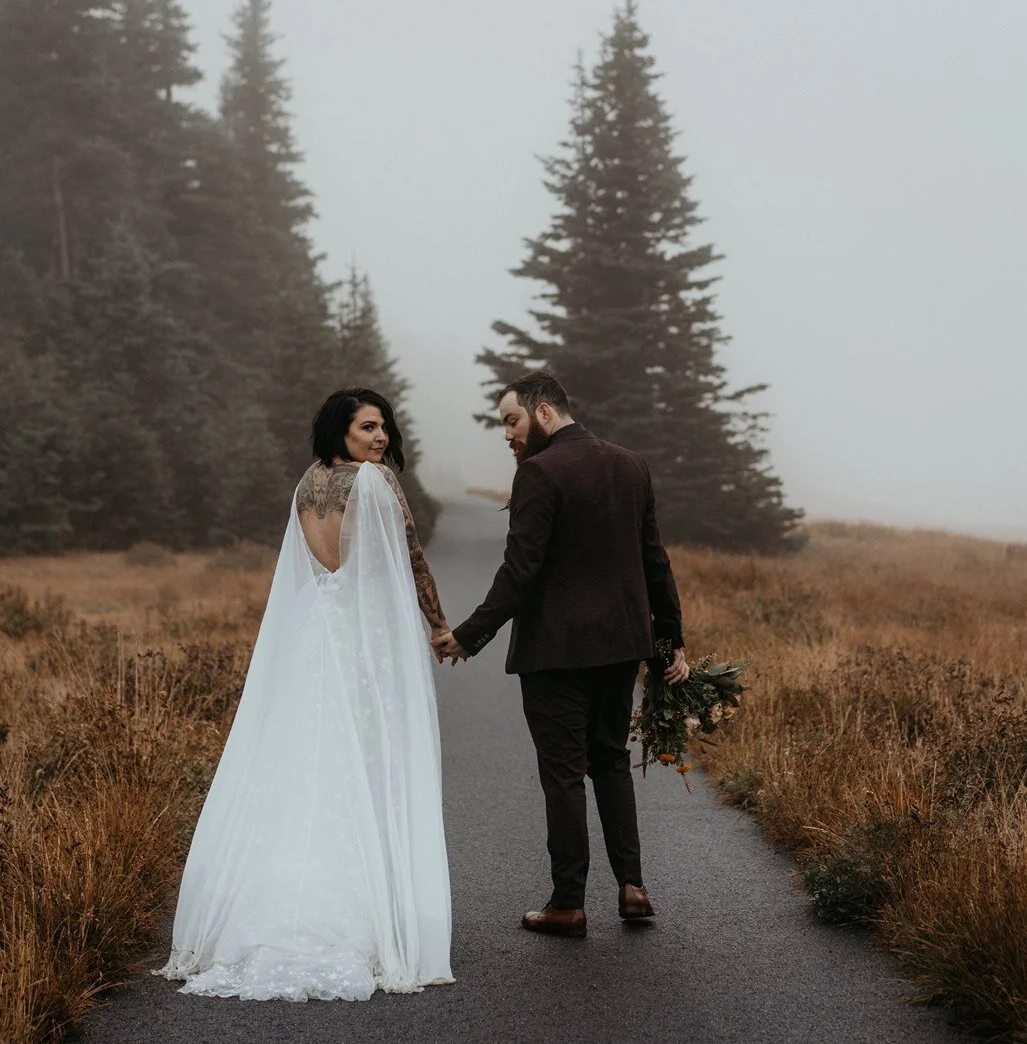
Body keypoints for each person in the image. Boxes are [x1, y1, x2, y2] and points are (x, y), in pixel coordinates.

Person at [159, 389, 455, 1000]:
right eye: (367, 427)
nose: (380, 437)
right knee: (365, 760)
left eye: (383, 426)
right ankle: (365, 909)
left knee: (304, 762)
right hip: (362, 636)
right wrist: (439, 625)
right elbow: (411, 557)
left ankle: (276, 904)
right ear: (340, 431)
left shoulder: (306, 483)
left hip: (313, 634)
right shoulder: (375, 482)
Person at [433, 371, 687, 938]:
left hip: (556, 653)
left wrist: (469, 635)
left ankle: (568, 904)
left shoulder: (539, 473)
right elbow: (654, 559)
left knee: (564, 773)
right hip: (620, 648)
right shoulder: (632, 465)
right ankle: (633, 886)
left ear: (544, 412)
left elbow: (520, 572)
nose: (507, 435)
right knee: (611, 760)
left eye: (512, 421)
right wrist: (669, 643)